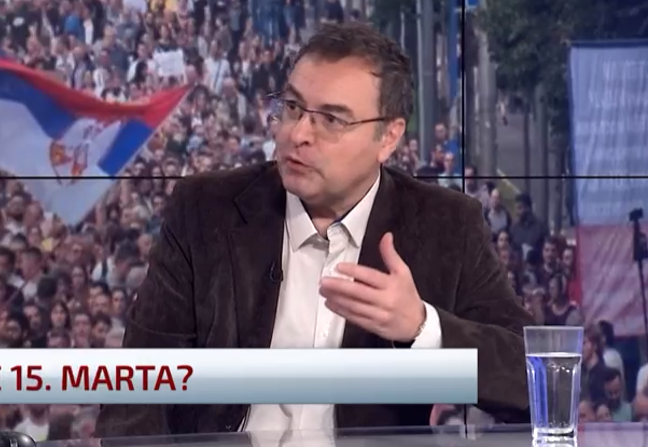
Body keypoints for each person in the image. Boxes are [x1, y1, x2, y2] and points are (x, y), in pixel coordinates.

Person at [96, 21, 534, 437]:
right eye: (292, 108)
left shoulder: (444, 226)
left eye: (332, 120)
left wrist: (423, 328)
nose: (299, 134)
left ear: (388, 137)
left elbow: (530, 381)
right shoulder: (206, 210)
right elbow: (136, 389)